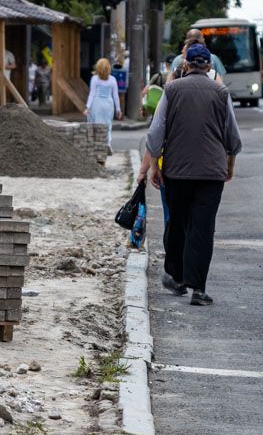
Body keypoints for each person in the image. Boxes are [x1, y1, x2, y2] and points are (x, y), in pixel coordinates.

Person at [138, 44, 242, 306]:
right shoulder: (221, 92)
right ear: (209, 67)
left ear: (186, 65)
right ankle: (198, 289)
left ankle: (177, 276)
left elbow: (155, 132)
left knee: (178, 222)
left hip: (177, 171)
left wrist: (155, 166)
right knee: (203, 228)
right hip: (211, 173)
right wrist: (230, 164)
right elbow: (232, 135)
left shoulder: (171, 90)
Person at [84, 57, 121, 148]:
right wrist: (118, 109)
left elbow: (92, 94)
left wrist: (88, 107)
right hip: (109, 104)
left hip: (97, 104)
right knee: (108, 124)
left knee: (97, 124)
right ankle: (107, 143)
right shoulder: (112, 79)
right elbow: (115, 95)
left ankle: (97, 144)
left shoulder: (95, 79)